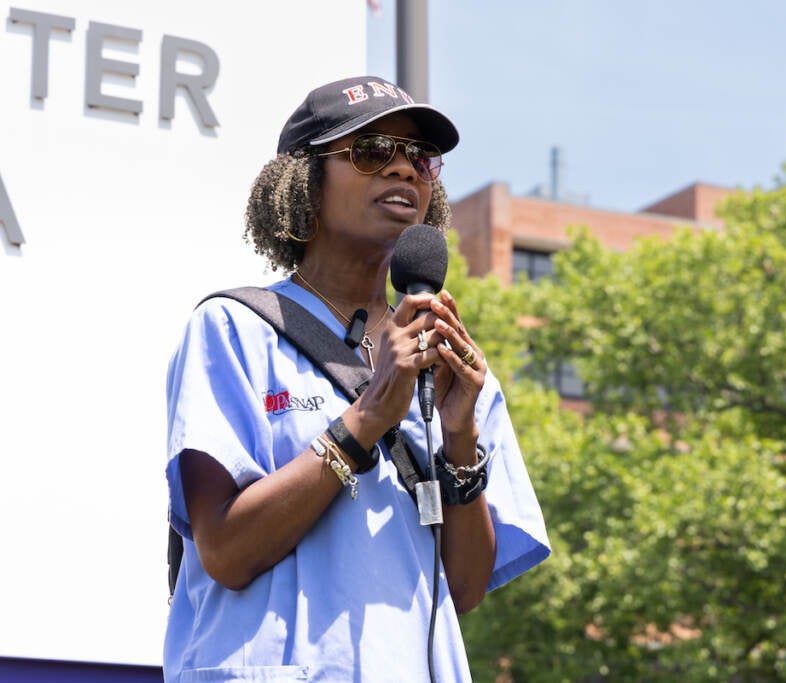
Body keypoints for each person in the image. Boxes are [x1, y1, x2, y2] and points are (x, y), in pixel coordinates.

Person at [163, 75, 550, 682]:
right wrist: (367, 418)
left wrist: (459, 436)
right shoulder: (232, 330)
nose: (403, 171)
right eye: (371, 151)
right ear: (305, 182)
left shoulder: (452, 363)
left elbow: (468, 586)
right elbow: (226, 552)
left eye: (420, 158)